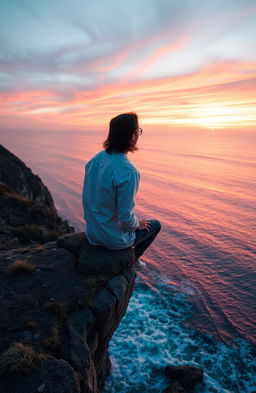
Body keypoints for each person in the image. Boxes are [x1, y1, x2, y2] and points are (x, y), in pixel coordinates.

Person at [82, 112, 161, 269]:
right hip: (113, 240)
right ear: (132, 137)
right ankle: (133, 258)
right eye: (138, 131)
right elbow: (126, 219)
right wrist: (136, 224)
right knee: (155, 224)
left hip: (92, 234)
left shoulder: (94, 160)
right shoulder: (128, 172)